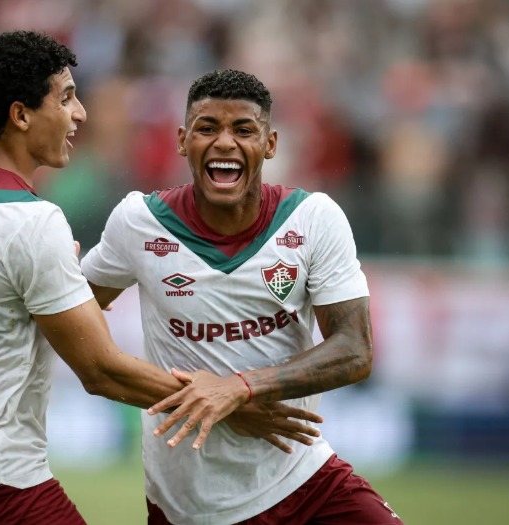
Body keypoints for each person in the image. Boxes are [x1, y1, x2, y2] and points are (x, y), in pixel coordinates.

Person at [0, 32, 320, 525]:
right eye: (66, 98)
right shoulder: (32, 223)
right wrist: (228, 403)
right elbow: (101, 371)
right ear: (21, 115)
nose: (80, 113)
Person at [81, 69, 404, 525]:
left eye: (244, 130)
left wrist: (240, 389)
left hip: (304, 477)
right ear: (182, 141)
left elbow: (355, 349)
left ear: (270, 144)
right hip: (191, 506)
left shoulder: (313, 219)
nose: (225, 143)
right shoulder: (139, 222)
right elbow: (74, 318)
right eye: (207, 128)